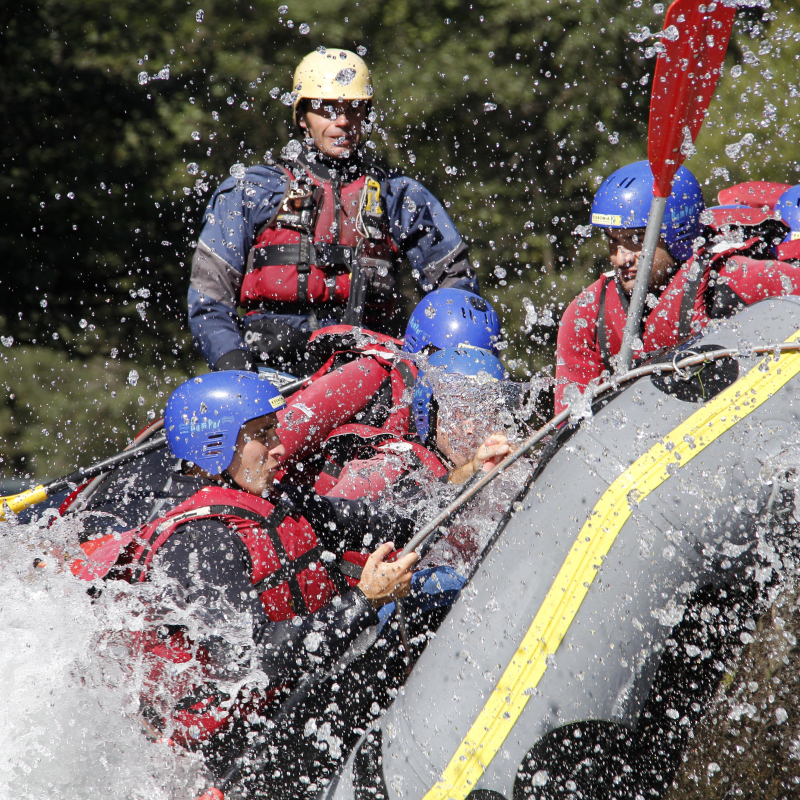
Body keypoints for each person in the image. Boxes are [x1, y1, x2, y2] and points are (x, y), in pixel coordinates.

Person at [71, 371, 419, 784]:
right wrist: (364, 600)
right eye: (264, 435)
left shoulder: (272, 499)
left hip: (289, 704)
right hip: (232, 754)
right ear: (215, 443)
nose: (280, 448)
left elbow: (374, 524)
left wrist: (463, 478)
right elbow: (255, 659)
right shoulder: (200, 541)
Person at [189, 48, 479, 376]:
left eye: (353, 109)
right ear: (302, 118)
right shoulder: (252, 191)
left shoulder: (400, 198)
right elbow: (209, 301)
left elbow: (458, 294)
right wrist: (233, 364)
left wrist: (440, 362)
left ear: (366, 115)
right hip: (269, 372)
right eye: (327, 110)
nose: (341, 121)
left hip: (370, 375)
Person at [555, 161, 800, 413]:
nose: (620, 258)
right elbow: (568, 424)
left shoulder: (733, 280)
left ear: (678, 236)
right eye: (613, 242)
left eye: (636, 240)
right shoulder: (586, 315)